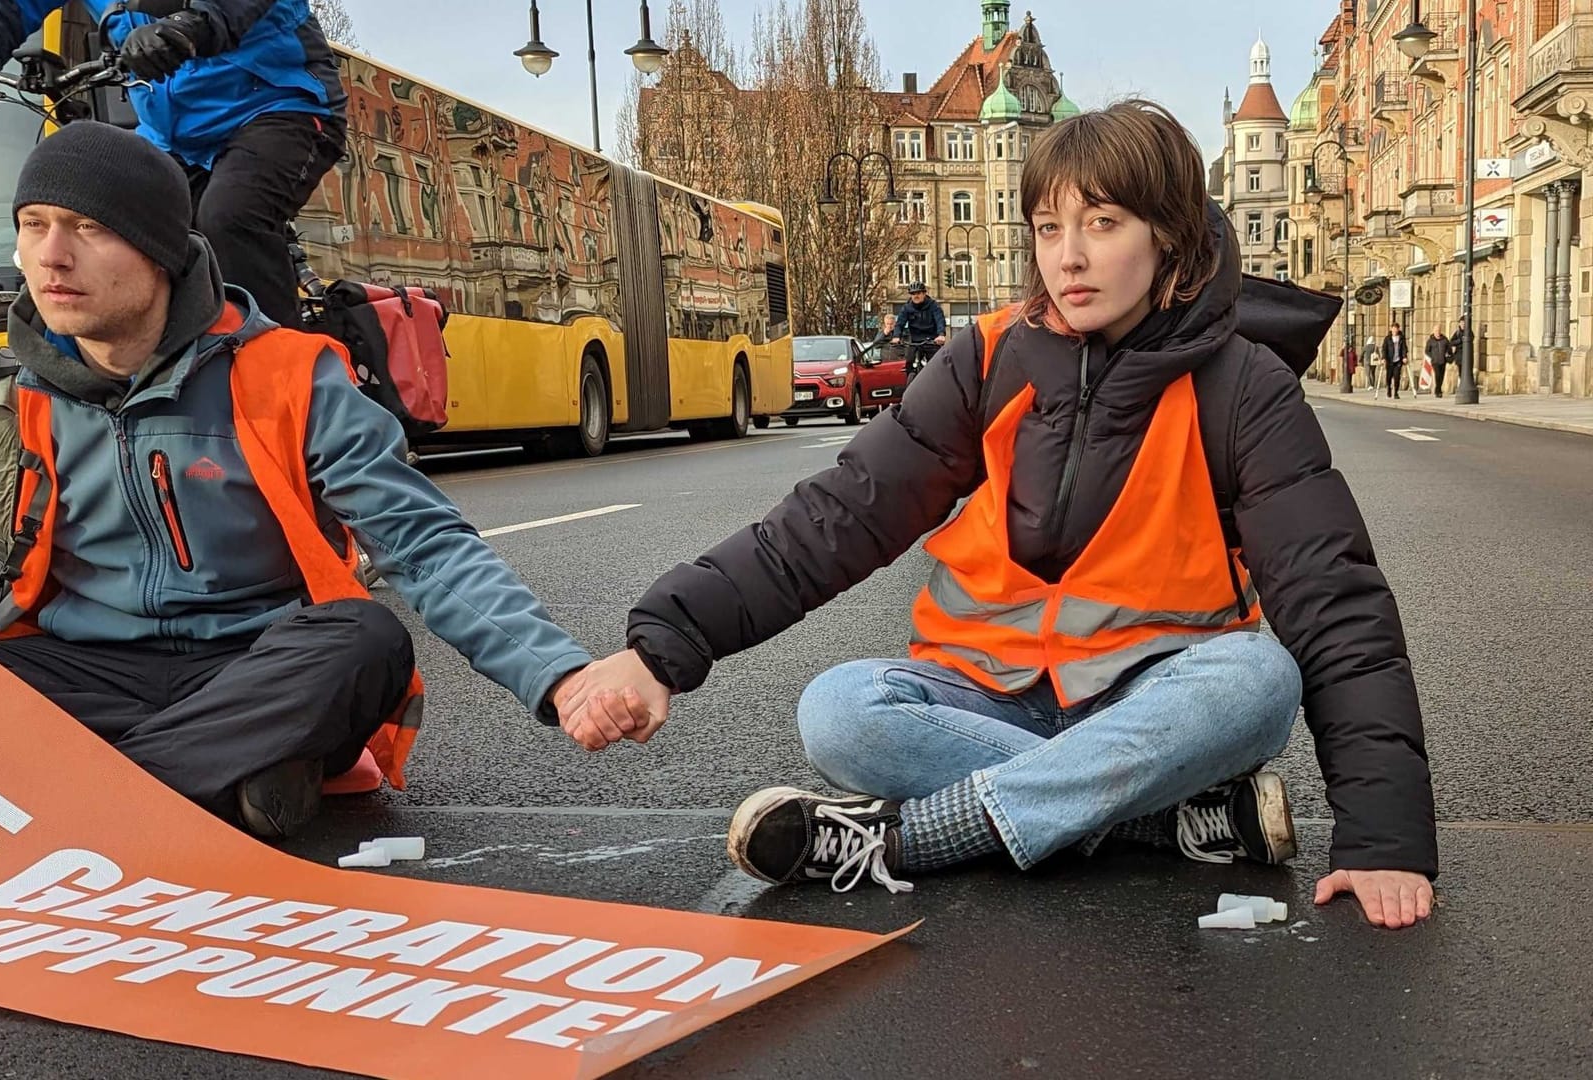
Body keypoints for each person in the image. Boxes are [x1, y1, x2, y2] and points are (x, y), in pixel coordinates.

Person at [555, 101, 1436, 929]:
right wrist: (660, 647)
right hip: (986, 699)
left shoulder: (1242, 385)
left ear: (1168, 235)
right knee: (839, 708)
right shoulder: (987, 358)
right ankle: (1146, 823)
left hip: (1155, 700)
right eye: (1049, 228)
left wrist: (1385, 837)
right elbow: (836, 519)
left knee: (1257, 682)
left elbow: (1334, 599)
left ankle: (907, 840)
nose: (1070, 257)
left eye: (1102, 223)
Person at [0, 123, 594, 840]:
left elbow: (426, 546)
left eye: (88, 229)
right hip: (82, 670)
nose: (51, 256)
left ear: (159, 251)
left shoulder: (292, 376)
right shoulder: (0, 397)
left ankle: (84, 799)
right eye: (34, 226)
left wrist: (556, 676)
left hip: (257, 666)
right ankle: (221, 777)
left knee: (366, 639)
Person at [0, 0, 347, 328]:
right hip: (173, 133)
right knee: (118, 233)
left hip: (278, 105)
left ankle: (285, 383)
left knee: (229, 217)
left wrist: (190, 25)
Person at [893, 283, 947, 374]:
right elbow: (900, 323)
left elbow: (940, 320)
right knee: (909, 362)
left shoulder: (933, 306)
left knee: (936, 365)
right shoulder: (907, 308)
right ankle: (911, 383)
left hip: (931, 340)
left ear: (924, 294)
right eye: (913, 294)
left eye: (918, 293)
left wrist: (941, 334)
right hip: (915, 340)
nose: (916, 296)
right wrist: (896, 336)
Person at [1383, 321, 1409, 398]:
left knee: (1397, 377)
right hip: (1390, 360)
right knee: (1389, 377)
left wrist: (1404, 357)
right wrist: (1384, 358)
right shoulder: (1387, 338)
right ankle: (1389, 389)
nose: (1394, 330)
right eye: (1393, 328)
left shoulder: (1401, 338)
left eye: (1396, 329)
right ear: (1391, 329)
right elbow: (1384, 349)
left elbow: (1404, 348)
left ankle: (1396, 393)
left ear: (1398, 329)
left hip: (1398, 360)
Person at [1426, 329, 1450, 398]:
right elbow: (1427, 351)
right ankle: (1438, 390)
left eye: (1439, 331)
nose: (1438, 333)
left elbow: (1449, 348)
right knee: (1437, 375)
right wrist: (1432, 356)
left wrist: (1448, 354)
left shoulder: (1444, 340)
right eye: (1436, 331)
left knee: (1441, 376)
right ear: (1434, 332)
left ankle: (1438, 389)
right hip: (1435, 361)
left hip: (1443, 361)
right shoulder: (1430, 341)